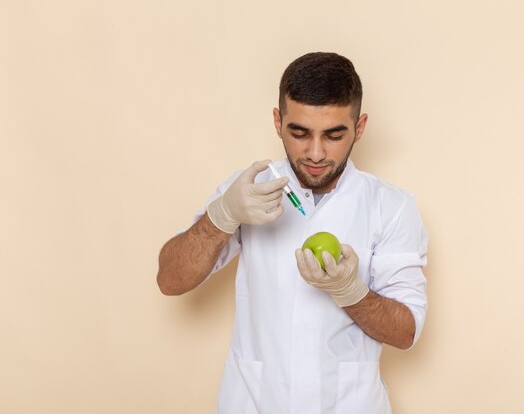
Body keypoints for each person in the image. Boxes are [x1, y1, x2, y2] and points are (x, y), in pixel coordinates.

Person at [156, 52, 428, 414]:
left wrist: (350, 291)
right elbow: (170, 280)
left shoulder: (391, 207)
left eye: (333, 135)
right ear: (277, 121)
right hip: (252, 403)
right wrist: (222, 215)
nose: (315, 153)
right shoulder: (249, 189)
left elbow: (406, 332)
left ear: (359, 128)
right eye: (299, 133)